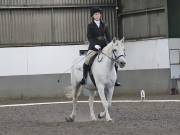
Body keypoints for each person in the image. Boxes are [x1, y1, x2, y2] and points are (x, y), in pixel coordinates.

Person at [80, 7, 121, 86]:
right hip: (93, 46)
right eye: (96, 14)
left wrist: (110, 44)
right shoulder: (90, 25)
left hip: (104, 46)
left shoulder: (104, 24)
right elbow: (89, 37)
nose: (98, 15)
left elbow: (108, 36)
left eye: (99, 14)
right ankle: (84, 78)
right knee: (87, 60)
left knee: (114, 60)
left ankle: (115, 79)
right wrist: (95, 45)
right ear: (92, 16)